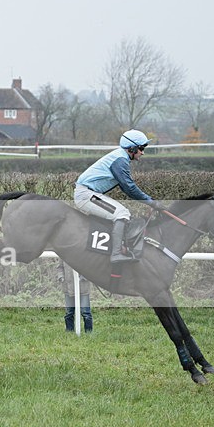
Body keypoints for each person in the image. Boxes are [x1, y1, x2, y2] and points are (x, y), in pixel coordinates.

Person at [73, 129, 166, 263]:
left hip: (89, 193)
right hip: (86, 195)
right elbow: (129, 187)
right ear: (132, 148)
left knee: (121, 213)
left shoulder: (120, 157)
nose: (143, 152)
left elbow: (126, 188)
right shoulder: (120, 160)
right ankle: (116, 254)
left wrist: (149, 201)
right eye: (141, 148)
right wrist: (151, 202)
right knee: (121, 213)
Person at [57, 260, 93, 333]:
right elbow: (59, 267)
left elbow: (90, 266)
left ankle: (88, 332)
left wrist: (84, 276)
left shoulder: (83, 253)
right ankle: (69, 331)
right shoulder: (63, 253)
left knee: (86, 312)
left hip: (83, 288)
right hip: (68, 288)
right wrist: (61, 277)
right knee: (69, 312)